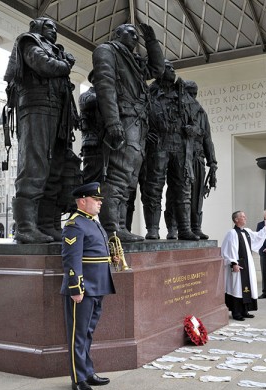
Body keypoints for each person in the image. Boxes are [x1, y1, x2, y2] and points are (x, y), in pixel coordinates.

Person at [4, 18, 79, 244]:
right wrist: (66, 64)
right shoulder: (29, 41)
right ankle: (25, 227)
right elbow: (45, 65)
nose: (54, 31)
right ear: (36, 27)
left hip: (57, 112)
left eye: (55, 28)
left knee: (55, 169)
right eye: (49, 27)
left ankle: (48, 224)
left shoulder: (54, 49)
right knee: (35, 165)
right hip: (37, 108)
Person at [92, 23, 164, 242]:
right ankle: (112, 229)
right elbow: (105, 86)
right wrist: (113, 122)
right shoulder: (107, 51)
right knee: (117, 176)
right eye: (130, 33)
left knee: (129, 180)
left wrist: (151, 42)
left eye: (137, 35)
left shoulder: (134, 60)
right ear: (116, 34)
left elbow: (157, 69)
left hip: (138, 123)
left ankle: (120, 227)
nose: (135, 38)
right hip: (123, 119)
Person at [60, 182, 116, 390]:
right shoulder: (75, 224)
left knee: (88, 332)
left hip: (98, 285)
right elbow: (71, 259)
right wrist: (76, 287)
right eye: (96, 199)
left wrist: (112, 258)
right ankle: (78, 378)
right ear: (83, 201)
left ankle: (88, 371)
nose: (100, 203)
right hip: (83, 288)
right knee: (78, 334)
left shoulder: (92, 222)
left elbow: (94, 254)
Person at [142, 60, 198, 241]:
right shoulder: (148, 92)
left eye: (174, 68)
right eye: (169, 67)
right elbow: (138, 115)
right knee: (154, 187)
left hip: (180, 145)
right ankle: (152, 229)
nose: (173, 70)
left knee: (182, 189)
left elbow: (197, 124)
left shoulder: (183, 95)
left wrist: (192, 129)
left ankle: (184, 229)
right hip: (159, 143)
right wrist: (145, 132)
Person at [163, 80, 218, 240]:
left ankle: (196, 227)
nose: (192, 97)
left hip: (197, 158)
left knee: (197, 195)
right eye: (189, 93)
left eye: (194, 93)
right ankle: (173, 228)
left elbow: (208, 139)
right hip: (179, 157)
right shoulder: (176, 110)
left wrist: (212, 163)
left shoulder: (201, 113)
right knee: (175, 193)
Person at [221, 211, 266, 321]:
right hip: (238, 266)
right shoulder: (232, 233)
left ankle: (245, 310)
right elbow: (229, 250)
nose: (245, 218)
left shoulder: (247, 232)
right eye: (243, 216)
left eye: (245, 216)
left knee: (247, 287)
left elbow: (258, 237)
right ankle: (236, 312)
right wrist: (233, 263)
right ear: (236, 219)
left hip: (247, 265)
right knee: (237, 288)